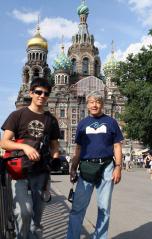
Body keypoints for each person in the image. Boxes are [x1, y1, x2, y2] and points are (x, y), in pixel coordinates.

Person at [0, 77, 60, 239]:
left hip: (41, 174)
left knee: (36, 218)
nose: (42, 96)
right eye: (38, 92)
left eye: (46, 93)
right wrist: (24, 146)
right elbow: (4, 142)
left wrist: (56, 158)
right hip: (19, 171)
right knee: (24, 212)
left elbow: (54, 144)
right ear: (31, 93)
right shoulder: (18, 115)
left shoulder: (51, 120)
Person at [67, 91, 124, 239]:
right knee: (78, 207)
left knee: (104, 208)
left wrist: (118, 167)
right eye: (91, 102)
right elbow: (78, 149)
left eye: (98, 102)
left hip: (106, 167)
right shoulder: (82, 124)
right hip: (86, 167)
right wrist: (73, 168)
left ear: (102, 104)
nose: (94, 105)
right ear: (87, 105)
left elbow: (117, 146)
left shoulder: (111, 122)